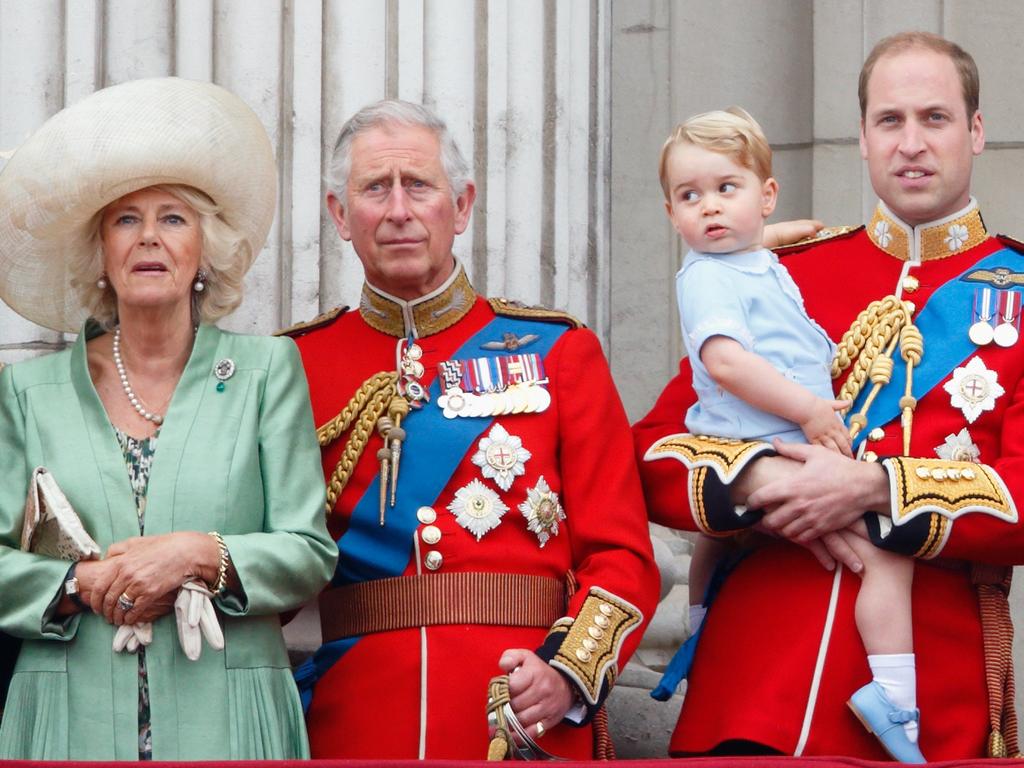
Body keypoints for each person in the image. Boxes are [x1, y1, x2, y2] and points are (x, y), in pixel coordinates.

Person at [634, 31, 1024, 761]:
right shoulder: (778, 271)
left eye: (934, 118)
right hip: (748, 690)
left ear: (975, 131)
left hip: (925, 703)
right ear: (864, 139)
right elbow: (652, 452)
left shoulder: (1019, 296)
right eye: (890, 121)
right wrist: (760, 477)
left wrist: (874, 487)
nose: (910, 142)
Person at [283, 99, 660, 759]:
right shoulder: (294, 367)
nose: (399, 209)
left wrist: (567, 673)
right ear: (341, 216)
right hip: (358, 722)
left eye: (419, 186)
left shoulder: (559, 351)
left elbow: (622, 556)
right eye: (375, 188)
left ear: (461, 206)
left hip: (517, 715)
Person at [0, 77, 337, 760]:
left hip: (233, 721)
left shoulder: (266, 374)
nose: (148, 238)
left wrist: (199, 555)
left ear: (203, 252)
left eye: (173, 218)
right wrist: (78, 583)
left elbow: (308, 551)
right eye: (126, 219)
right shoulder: (27, 391)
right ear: (99, 250)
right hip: (68, 718)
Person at [659, 105, 924, 762]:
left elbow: (745, 252)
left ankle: (698, 628)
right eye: (690, 198)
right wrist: (810, 410)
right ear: (672, 214)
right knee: (886, 551)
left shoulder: (746, 254)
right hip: (764, 431)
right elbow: (722, 358)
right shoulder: (710, 272)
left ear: (764, 197)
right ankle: (894, 694)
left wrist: (782, 233)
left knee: (715, 542)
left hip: (751, 430)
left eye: (727, 191)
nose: (710, 210)